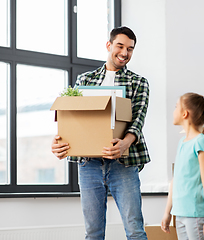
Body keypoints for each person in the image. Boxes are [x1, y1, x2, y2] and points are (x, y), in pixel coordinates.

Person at [51, 26, 149, 240]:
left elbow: (138, 120)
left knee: (135, 230)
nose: (125, 53)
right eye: (120, 46)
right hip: (89, 165)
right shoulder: (84, 80)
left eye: (130, 49)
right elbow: (72, 117)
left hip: (123, 164)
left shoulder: (139, 82)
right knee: (93, 232)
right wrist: (61, 141)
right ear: (109, 45)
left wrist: (124, 144)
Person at [161, 93, 204, 240]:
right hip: (180, 212)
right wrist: (168, 212)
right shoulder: (182, 142)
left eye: (176, 107)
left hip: (195, 214)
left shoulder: (200, 142)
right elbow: (176, 179)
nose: (173, 111)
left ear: (185, 114)